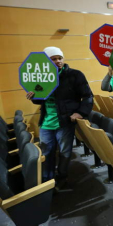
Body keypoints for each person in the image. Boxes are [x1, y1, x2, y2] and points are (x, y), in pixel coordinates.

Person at [26, 47, 93, 185]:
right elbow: (40, 100)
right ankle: (48, 180)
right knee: (47, 153)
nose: (58, 61)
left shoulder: (75, 75)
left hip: (65, 121)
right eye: (53, 59)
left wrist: (80, 113)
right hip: (46, 121)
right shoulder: (41, 77)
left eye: (60, 58)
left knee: (64, 152)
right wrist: (33, 96)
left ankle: (62, 177)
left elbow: (87, 96)